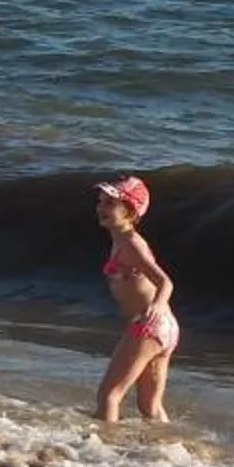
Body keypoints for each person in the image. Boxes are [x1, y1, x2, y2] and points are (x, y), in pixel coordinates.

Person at [93, 174, 178, 422]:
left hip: (149, 325)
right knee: (149, 406)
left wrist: (158, 305)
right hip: (165, 328)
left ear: (130, 212)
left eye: (110, 204)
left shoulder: (131, 245)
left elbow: (165, 282)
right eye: (100, 201)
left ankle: (100, 453)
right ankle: (168, 453)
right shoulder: (121, 241)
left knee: (109, 395)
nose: (101, 208)